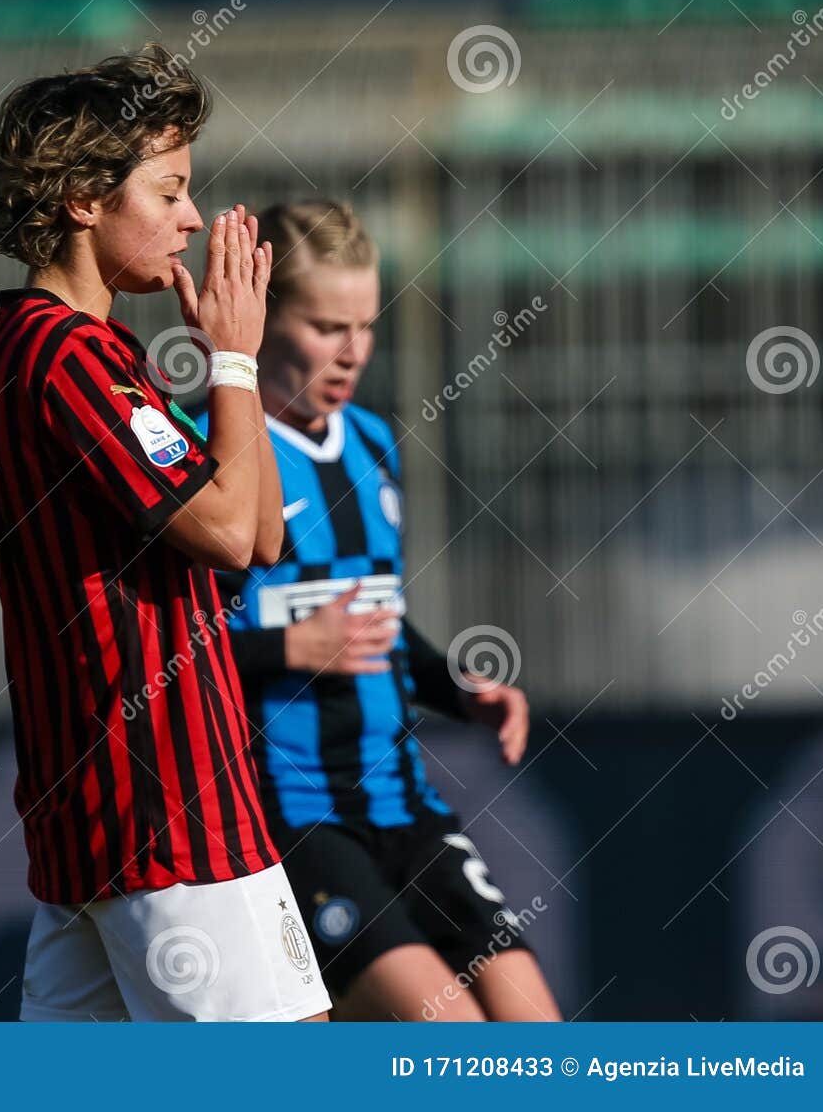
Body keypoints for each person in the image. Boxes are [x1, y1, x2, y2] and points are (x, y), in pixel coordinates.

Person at [0, 44, 330, 1022]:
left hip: (97, 830)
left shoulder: (56, 350)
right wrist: (237, 358)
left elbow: (253, 532)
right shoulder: (65, 355)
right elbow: (230, 531)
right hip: (171, 811)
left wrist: (233, 372)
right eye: (169, 189)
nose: (192, 218)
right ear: (84, 196)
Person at [197, 200, 561, 1021]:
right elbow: (166, 653)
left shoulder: (369, 442)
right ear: (263, 320)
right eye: (327, 325)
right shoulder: (214, 452)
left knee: (536, 1027)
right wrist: (289, 646)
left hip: (402, 798)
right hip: (293, 815)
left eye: (366, 324)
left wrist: (454, 687)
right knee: (448, 1038)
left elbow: (377, 622)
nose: (354, 350)